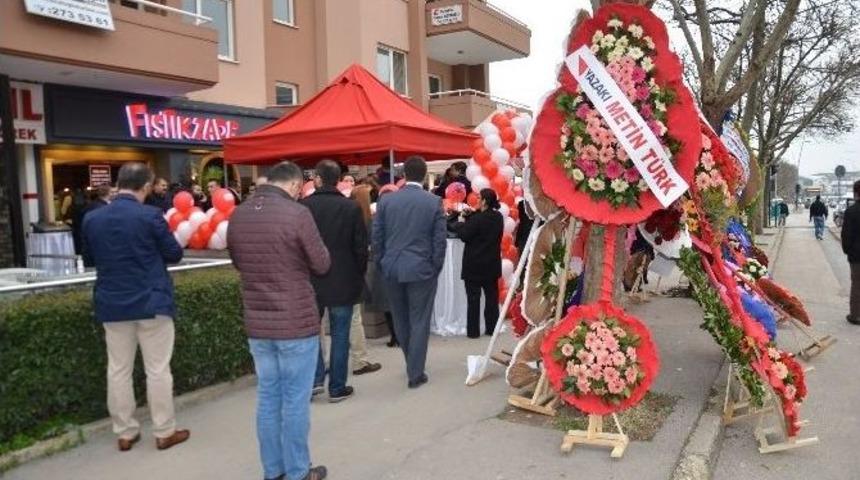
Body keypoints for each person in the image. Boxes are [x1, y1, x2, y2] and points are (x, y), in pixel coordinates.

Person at [227, 161, 330, 480]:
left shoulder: (239, 214)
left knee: (268, 398)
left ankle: (273, 471)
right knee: (295, 400)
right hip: (295, 321)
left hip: (258, 323)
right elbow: (322, 263)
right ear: (295, 185)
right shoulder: (298, 214)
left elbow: (238, 261)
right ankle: (298, 472)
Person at [81, 163, 189, 453]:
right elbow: (174, 254)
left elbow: (89, 259)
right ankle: (164, 431)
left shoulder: (93, 217)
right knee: (158, 370)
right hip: (152, 301)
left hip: (112, 302)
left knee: (118, 369)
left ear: (119, 183)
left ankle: (125, 432)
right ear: (146, 186)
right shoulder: (150, 215)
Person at [373, 156, 447, 389]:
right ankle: (415, 371)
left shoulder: (386, 201)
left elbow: (377, 237)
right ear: (424, 176)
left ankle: (412, 364)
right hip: (422, 268)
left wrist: (382, 263)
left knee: (401, 318)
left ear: (403, 175)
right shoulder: (433, 202)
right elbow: (439, 241)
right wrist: (435, 267)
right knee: (419, 320)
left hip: (392, 267)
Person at [302, 160, 368, 402]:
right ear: (338, 180)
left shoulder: (303, 207)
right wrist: (358, 274)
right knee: (341, 334)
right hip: (343, 280)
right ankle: (337, 387)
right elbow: (361, 248)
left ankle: (315, 380)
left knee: (311, 333)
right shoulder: (350, 208)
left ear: (318, 179)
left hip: (310, 280)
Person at [448, 189, 504, 338]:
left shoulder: (478, 219)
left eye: (479, 198)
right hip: (491, 264)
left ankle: (473, 331)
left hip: (474, 264)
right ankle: (492, 328)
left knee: (473, 299)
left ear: (484, 201)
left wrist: (461, 222)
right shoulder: (498, 217)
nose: (476, 200)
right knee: (491, 298)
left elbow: (464, 235)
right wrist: (472, 214)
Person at [348, 184, 383, 375]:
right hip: (360, 270)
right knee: (355, 318)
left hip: (344, 273)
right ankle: (359, 360)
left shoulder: (350, 217)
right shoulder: (368, 220)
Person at [842, 180, 860, 326]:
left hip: (856, 255)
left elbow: (846, 234)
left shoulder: (851, 211)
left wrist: (848, 250)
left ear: (855, 193)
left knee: (857, 285)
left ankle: (856, 315)